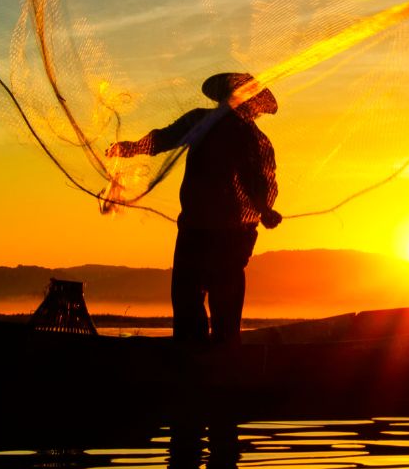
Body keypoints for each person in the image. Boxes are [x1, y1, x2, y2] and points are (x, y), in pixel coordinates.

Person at [107, 72, 281, 345]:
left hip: (229, 236)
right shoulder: (201, 121)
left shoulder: (253, 139)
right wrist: (130, 148)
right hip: (196, 229)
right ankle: (197, 364)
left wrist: (265, 209)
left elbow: (260, 182)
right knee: (189, 301)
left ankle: (217, 366)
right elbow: (164, 138)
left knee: (220, 307)